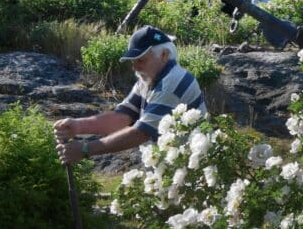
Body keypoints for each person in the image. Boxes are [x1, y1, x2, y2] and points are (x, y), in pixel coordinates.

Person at [55, 26, 206, 165]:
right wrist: (77, 126)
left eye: (141, 60)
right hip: (177, 165)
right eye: (133, 61)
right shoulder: (148, 80)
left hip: (192, 168)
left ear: (164, 55)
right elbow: (121, 117)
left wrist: (85, 149)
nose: (135, 67)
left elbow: (141, 133)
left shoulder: (172, 82)